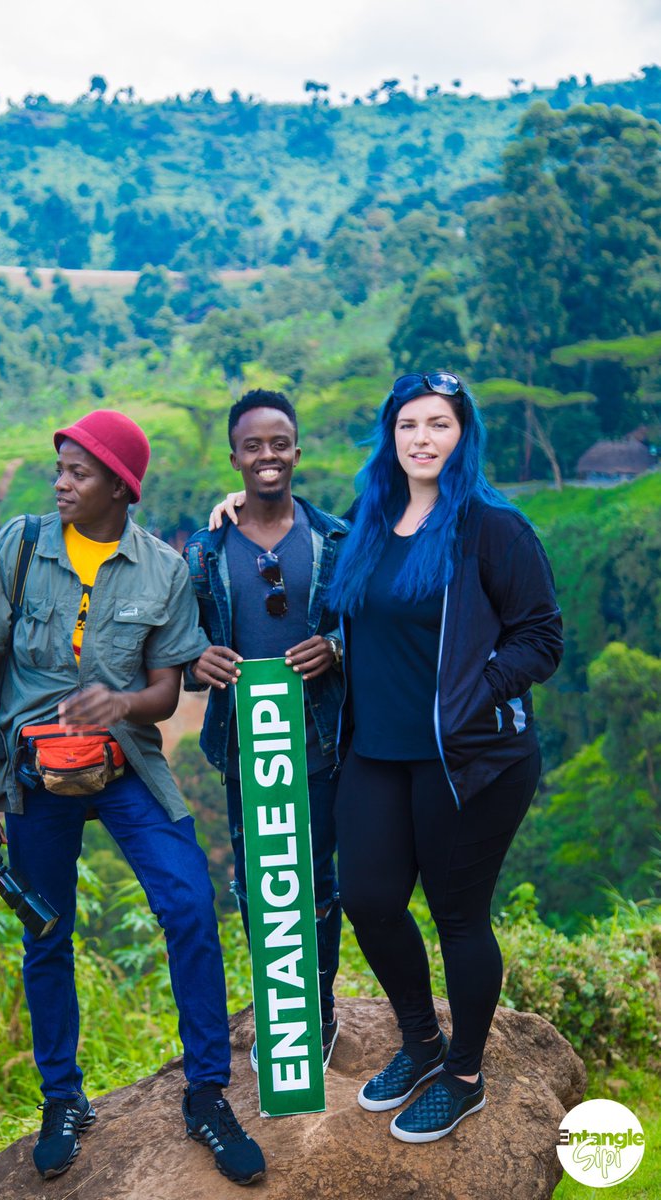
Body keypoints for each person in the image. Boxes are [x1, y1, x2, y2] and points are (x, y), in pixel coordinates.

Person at [0, 410, 266, 1185]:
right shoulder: (21, 546)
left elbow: (166, 690)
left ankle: (206, 1095)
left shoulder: (162, 568)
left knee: (189, 904)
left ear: (119, 487)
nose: (61, 482)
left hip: (127, 766)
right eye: (59, 467)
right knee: (46, 931)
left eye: (79, 472)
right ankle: (64, 1099)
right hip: (32, 771)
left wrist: (118, 705)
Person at [326, 371, 563, 1143]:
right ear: (389, 437)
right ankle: (421, 1042)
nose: (422, 439)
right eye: (408, 426)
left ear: (464, 437)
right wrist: (231, 515)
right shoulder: (371, 517)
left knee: (459, 915)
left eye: (439, 425)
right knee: (367, 897)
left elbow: (540, 637)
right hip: (378, 750)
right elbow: (333, 587)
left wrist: (474, 694)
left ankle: (464, 1076)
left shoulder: (493, 527)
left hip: (469, 757)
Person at [183, 389, 349, 1070]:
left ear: (297, 451)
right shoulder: (205, 550)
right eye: (253, 445)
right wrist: (196, 655)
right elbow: (175, 644)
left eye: (279, 442)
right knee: (259, 883)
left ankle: (321, 1008)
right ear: (234, 457)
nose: (267, 455)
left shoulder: (338, 540)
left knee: (318, 883)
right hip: (245, 746)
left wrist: (337, 647)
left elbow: (378, 623)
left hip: (325, 741)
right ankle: (283, 1015)